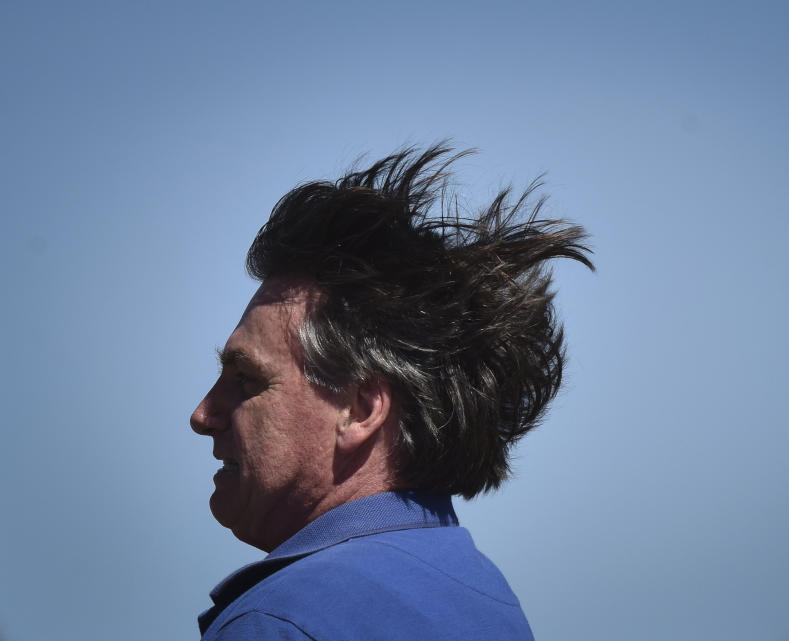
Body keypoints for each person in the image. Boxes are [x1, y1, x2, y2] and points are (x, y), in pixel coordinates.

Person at [190, 144, 594, 641]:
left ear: (359, 411)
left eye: (246, 380)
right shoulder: (485, 603)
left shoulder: (280, 622)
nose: (204, 414)